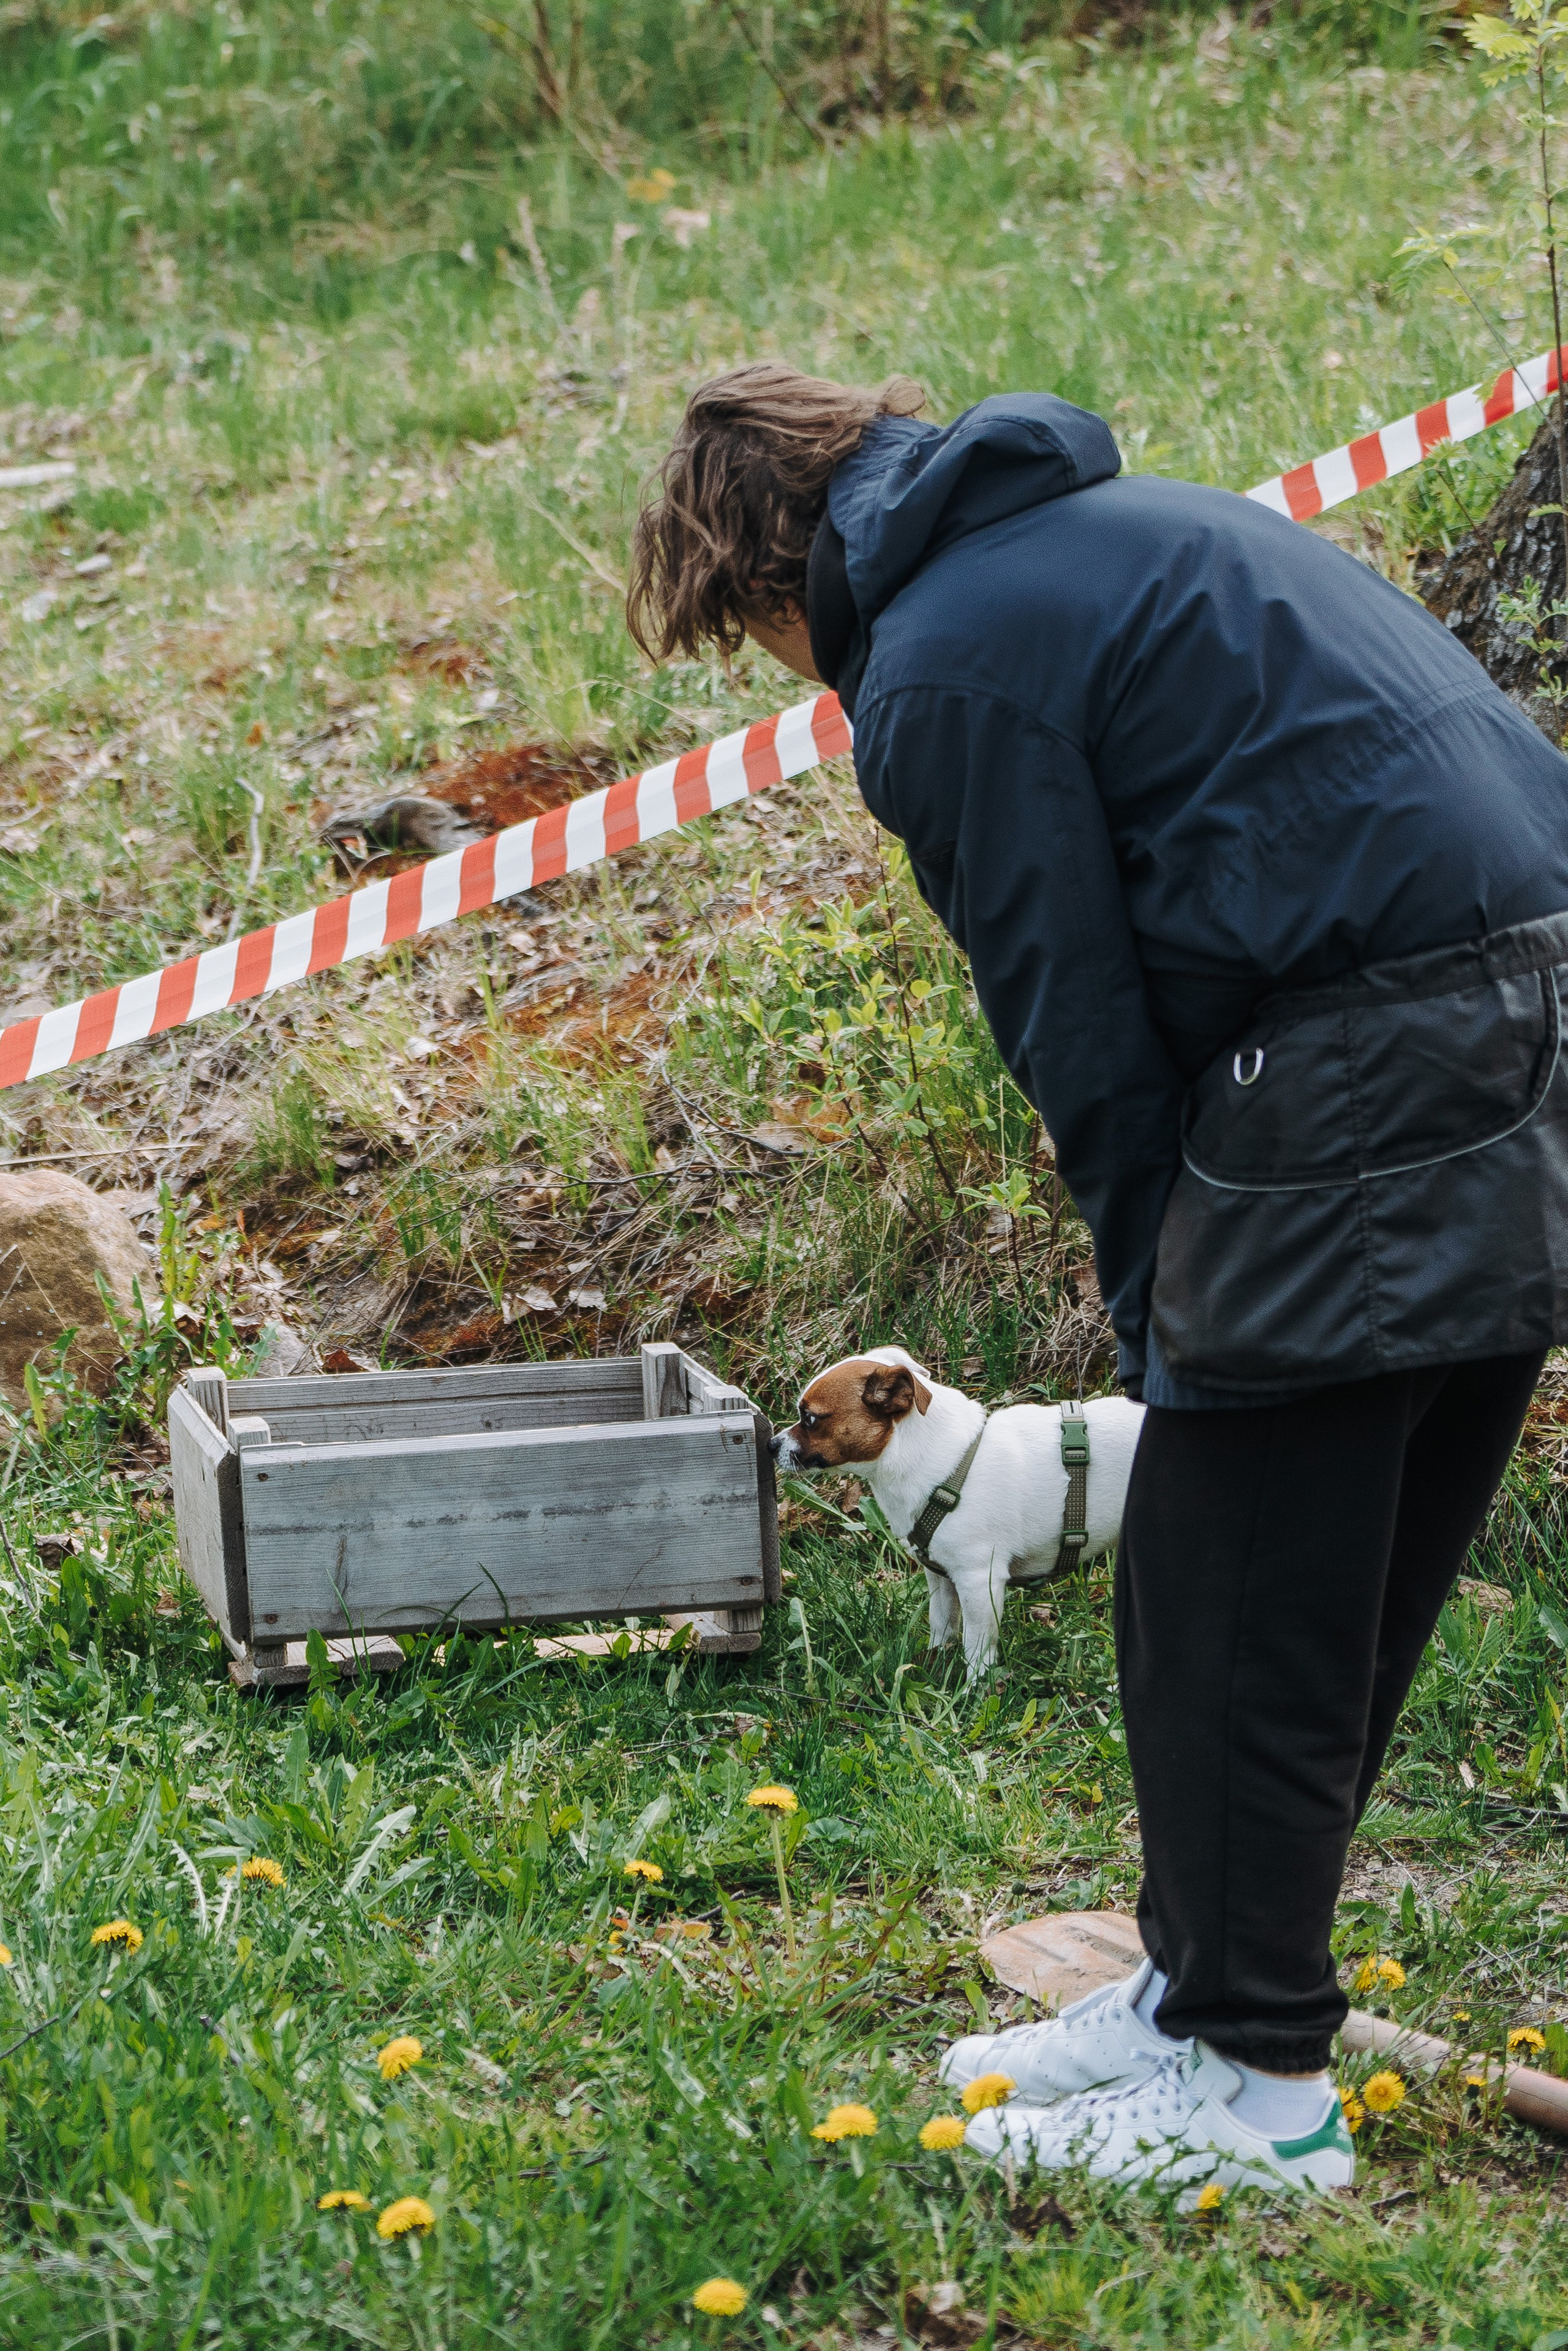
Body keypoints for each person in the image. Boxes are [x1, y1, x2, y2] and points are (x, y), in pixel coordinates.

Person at [626, 362, 1568, 2195]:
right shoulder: (1136, 531)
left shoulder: (943, 666)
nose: (771, 667)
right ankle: (1200, 1995)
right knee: (1337, 1575)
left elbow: (1081, 1023)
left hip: (1371, 1038)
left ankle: (1258, 2101)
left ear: (765, 571)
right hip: (1532, 1000)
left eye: (743, 628)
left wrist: (1166, 1322)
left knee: (1221, 1582)